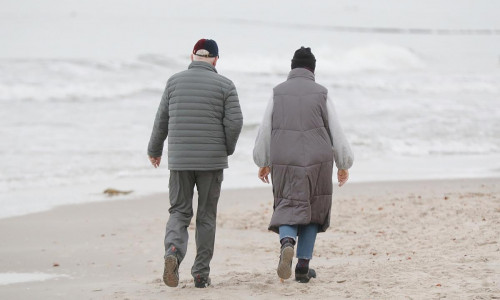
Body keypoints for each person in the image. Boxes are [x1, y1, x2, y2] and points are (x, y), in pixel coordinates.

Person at [148, 39, 243, 288]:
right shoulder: (226, 85)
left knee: (179, 212)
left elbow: (161, 119)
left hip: (180, 160)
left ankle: (173, 251)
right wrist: (226, 149)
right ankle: (200, 274)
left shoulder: (174, 82)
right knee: (206, 216)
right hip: (211, 162)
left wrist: (154, 150)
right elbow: (235, 122)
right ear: (215, 59)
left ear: (192, 56)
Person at [253, 46, 353, 283]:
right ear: (312, 69)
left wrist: (263, 160)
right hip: (317, 159)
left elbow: (265, 127)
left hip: (284, 157)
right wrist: (343, 163)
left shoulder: (277, 92)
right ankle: (302, 267)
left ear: (292, 68)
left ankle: (287, 242)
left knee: (288, 204)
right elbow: (335, 129)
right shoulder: (322, 93)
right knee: (313, 209)